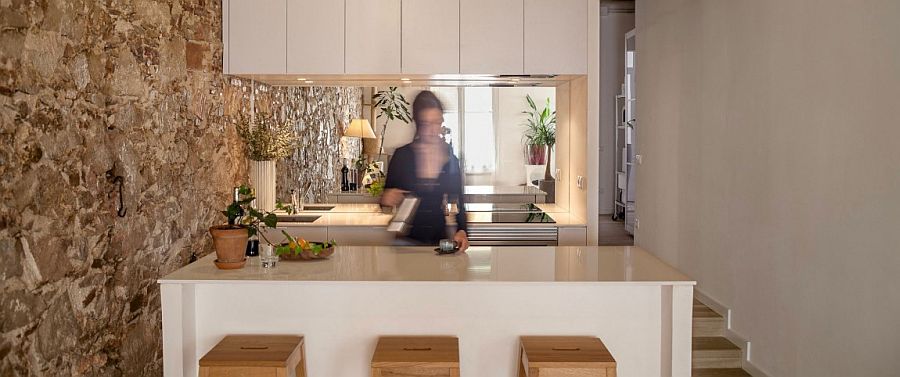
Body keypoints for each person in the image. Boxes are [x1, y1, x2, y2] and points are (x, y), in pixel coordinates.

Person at [380, 90, 470, 252]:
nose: (432, 130)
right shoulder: (402, 156)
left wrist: (462, 230)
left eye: (436, 122)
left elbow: (456, 201)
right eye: (426, 124)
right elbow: (384, 201)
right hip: (405, 242)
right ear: (417, 123)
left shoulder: (451, 159)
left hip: (440, 242)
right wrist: (387, 197)